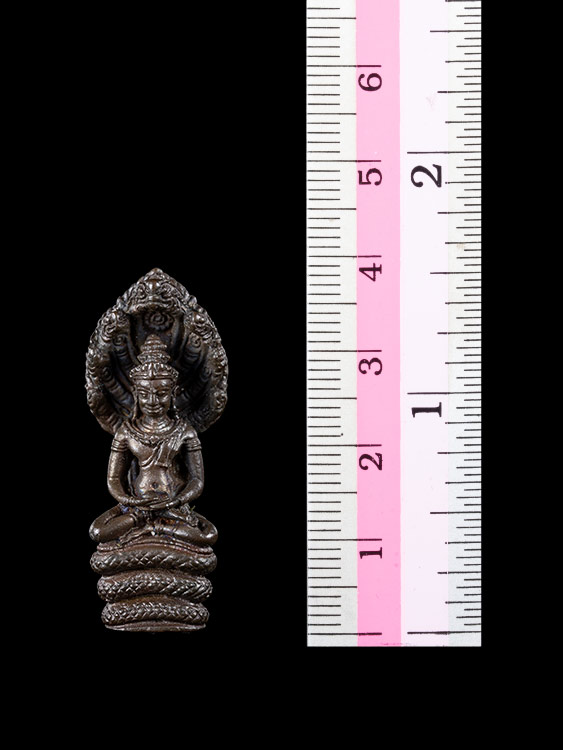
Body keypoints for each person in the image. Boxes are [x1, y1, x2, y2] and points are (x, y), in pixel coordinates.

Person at [89, 335, 216, 546]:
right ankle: (148, 526)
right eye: (145, 394)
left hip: (173, 507)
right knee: (97, 532)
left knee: (208, 536)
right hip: (137, 509)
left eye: (161, 394)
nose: (153, 401)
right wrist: (130, 501)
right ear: (136, 394)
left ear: (173, 394)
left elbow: (197, 480)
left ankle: (157, 528)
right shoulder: (126, 431)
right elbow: (113, 479)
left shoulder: (184, 431)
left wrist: (177, 501)